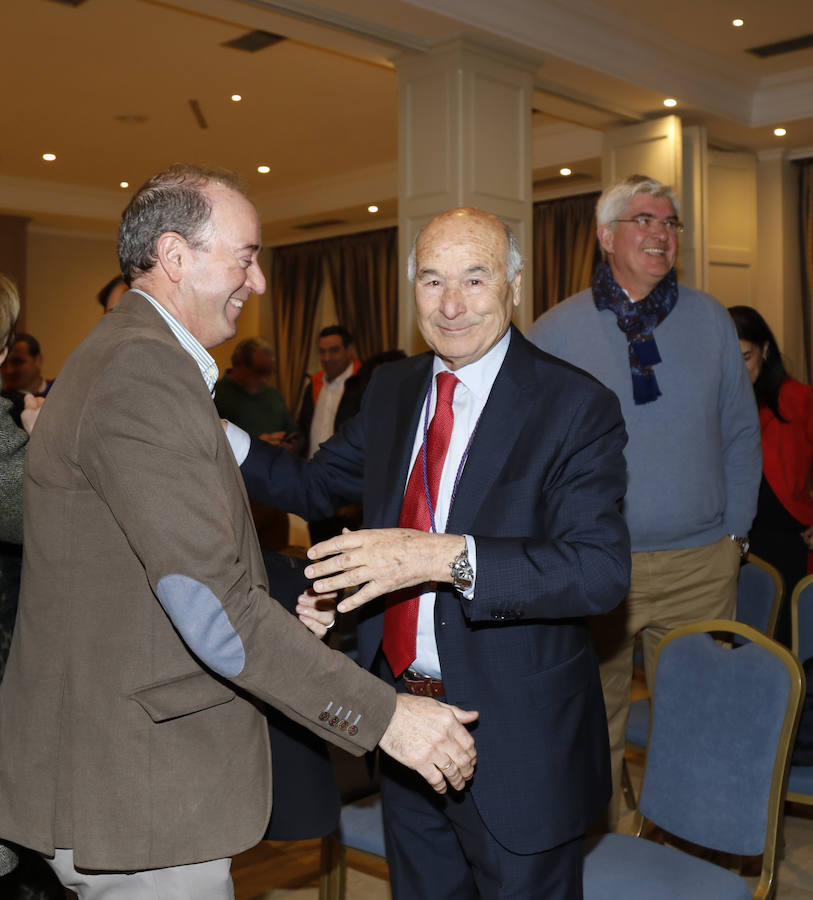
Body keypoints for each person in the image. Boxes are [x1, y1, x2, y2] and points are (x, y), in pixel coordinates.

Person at [0, 165, 478, 899]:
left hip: (119, 769)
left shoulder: (127, 359)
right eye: (245, 257)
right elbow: (209, 606)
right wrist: (387, 718)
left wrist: (276, 613)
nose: (256, 283)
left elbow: (129, 576)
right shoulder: (142, 376)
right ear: (175, 256)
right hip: (140, 788)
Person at [236, 207, 631, 899]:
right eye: (431, 281)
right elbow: (314, 483)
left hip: (517, 739)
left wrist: (438, 557)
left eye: (474, 280)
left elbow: (597, 572)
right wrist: (215, 434)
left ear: (512, 284)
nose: (450, 306)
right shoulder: (392, 390)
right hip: (402, 728)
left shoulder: (573, 405)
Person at [528, 174, 762, 829]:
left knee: (698, 719)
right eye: (643, 220)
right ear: (606, 236)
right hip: (600, 569)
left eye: (669, 222)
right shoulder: (554, 332)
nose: (660, 233)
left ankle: (695, 852)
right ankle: (613, 851)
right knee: (594, 722)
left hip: (699, 566)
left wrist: (733, 538)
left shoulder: (710, 318)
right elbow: (533, 454)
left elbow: (740, 430)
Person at [729, 304, 813, 645]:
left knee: (783, 643)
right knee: (735, 639)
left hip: (787, 541)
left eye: (746, 357)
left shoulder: (798, 399)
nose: (738, 369)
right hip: (732, 541)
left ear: (765, 350)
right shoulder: (717, 402)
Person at [214, 336, 298, 449]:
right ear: (239, 365)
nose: (265, 379)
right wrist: (255, 444)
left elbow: (294, 434)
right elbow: (210, 443)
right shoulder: (214, 394)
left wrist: (290, 444)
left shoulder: (274, 395)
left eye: (270, 372)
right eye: (259, 371)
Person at [298, 324, 360, 459]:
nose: (327, 358)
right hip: (312, 468)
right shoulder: (313, 385)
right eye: (322, 351)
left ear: (349, 350)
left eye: (334, 350)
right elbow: (303, 429)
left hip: (348, 472)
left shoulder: (363, 385)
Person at [0, 333, 53, 397]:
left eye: (17, 362)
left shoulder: (58, 390)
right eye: (3, 364)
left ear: (38, 360)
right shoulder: (3, 400)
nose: (9, 370)